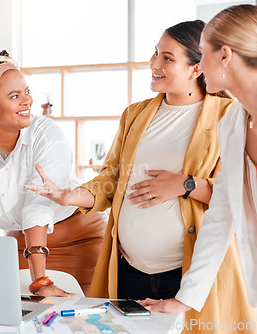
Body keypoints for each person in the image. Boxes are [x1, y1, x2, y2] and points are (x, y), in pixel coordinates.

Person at [26, 20, 256, 333]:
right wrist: (70, 196)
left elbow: (236, 198)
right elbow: (110, 179)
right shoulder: (135, 114)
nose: (154, 63)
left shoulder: (228, 115)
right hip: (128, 271)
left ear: (196, 68)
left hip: (189, 273)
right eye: (155, 53)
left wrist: (186, 185)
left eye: (167, 58)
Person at [0, 47, 107, 297]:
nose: (27, 101)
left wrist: (40, 281)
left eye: (27, 92)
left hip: (78, 239)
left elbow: (38, 206)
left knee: (76, 320)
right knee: (23, 316)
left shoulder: (47, 135)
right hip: (20, 244)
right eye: (15, 96)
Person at [141, 4, 257, 319]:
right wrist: (186, 299)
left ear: (225, 56)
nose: (199, 67)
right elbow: (221, 216)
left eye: (202, 54)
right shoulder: (234, 122)